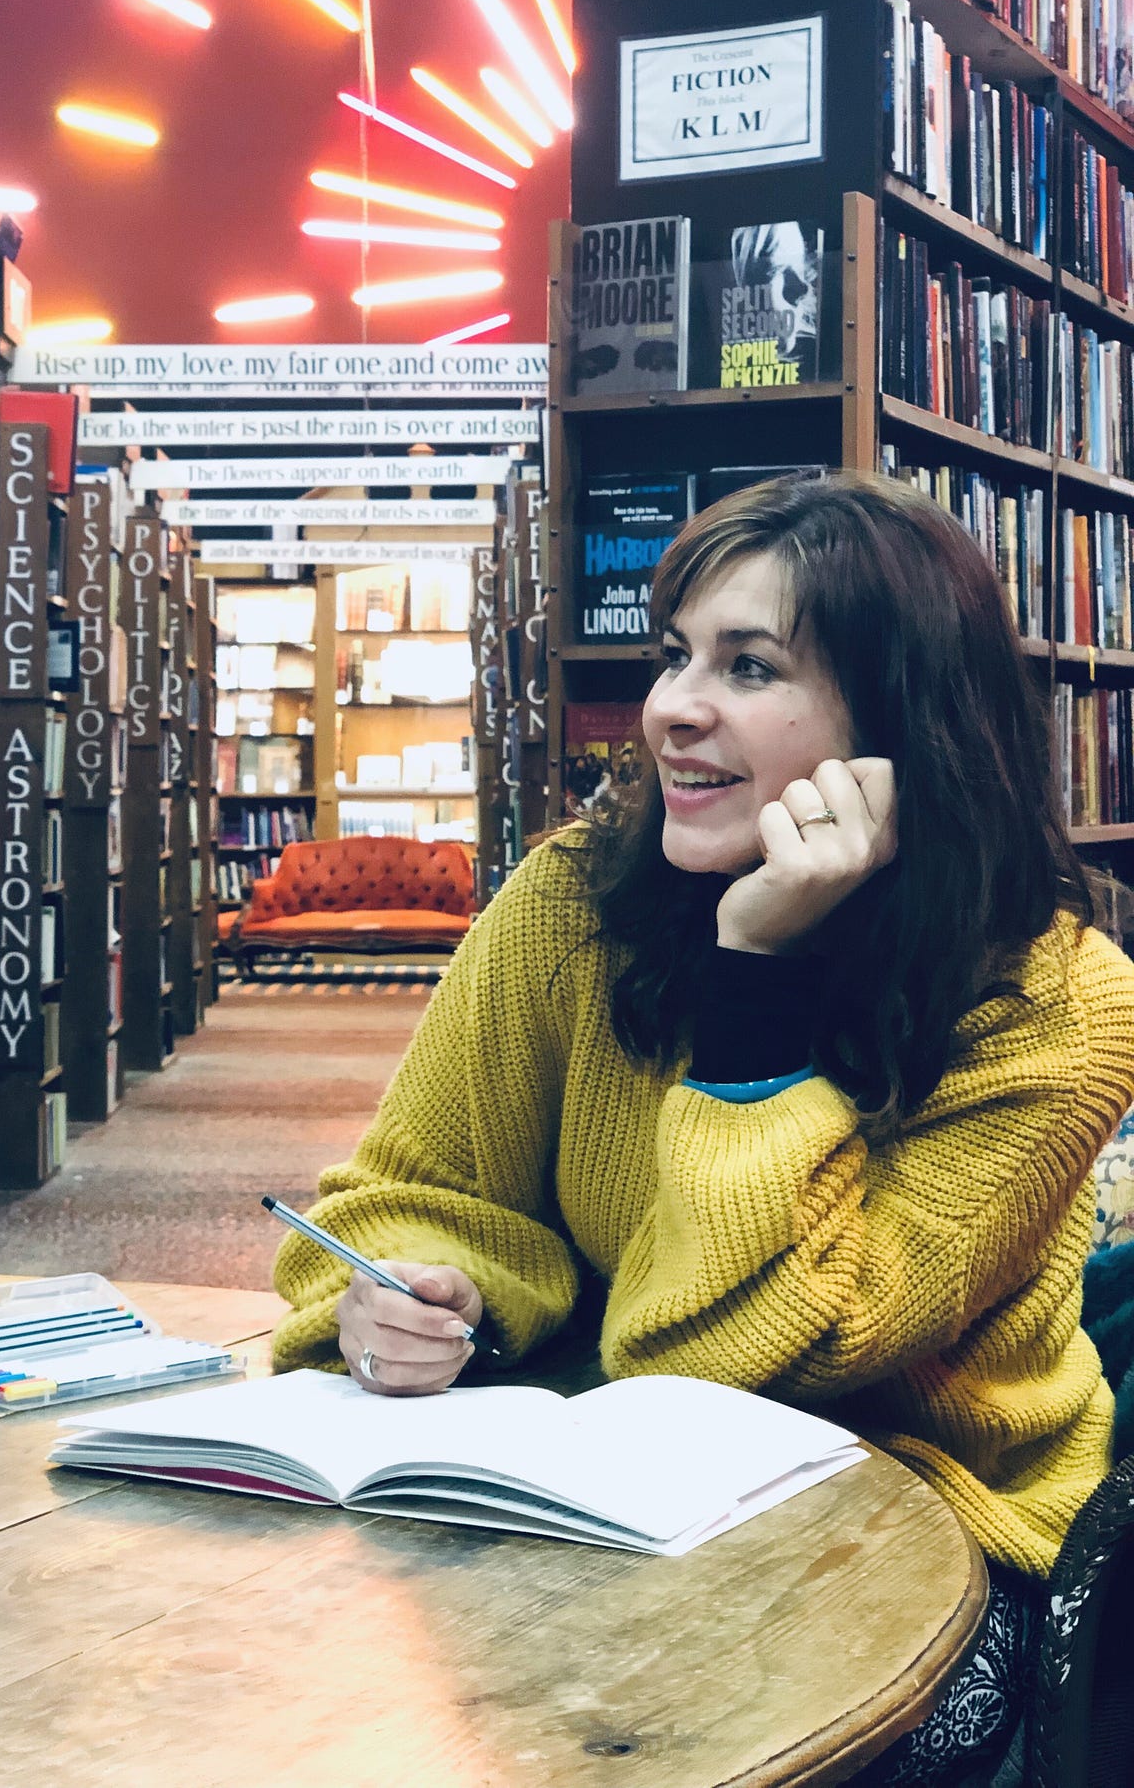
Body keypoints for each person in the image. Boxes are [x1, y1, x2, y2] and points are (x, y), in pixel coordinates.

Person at [272, 471, 1134, 1786]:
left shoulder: (1059, 1006)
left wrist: (753, 990)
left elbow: (757, 1357)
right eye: (677, 654)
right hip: (586, 1498)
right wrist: (421, 1292)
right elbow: (406, 1191)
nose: (673, 706)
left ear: (901, 718)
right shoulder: (571, 896)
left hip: (922, 1531)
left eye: (748, 664)